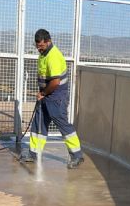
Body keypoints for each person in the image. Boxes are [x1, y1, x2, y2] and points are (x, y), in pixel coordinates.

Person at [20, 29, 84, 168]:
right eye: (37, 46)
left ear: (48, 41)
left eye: (41, 46)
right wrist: (42, 93)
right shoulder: (43, 54)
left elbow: (55, 82)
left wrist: (43, 93)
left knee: (62, 124)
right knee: (39, 122)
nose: (38, 48)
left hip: (56, 96)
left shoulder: (53, 56)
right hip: (46, 94)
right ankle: (34, 153)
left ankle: (77, 155)